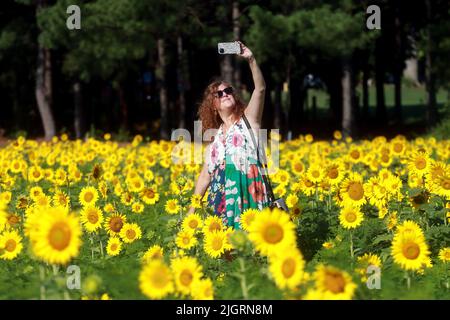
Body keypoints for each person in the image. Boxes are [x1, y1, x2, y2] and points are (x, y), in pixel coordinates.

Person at [187, 41, 269, 229]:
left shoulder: (249, 120)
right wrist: (192, 210)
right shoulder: (216, 140)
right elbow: (204, 177)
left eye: (228, 90)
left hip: (247, 191)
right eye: (219, 94)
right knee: (225, 251)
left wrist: (251, 59)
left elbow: (260, 89)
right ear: (213, 106)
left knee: (251, 246)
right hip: (220, 198)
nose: (225, 94)